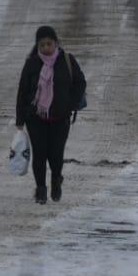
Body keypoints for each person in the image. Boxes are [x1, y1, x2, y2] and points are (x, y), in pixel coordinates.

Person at [15, 25, 86, 205]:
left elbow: (80, 82)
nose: (46, 48)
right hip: (36, 118)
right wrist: (20, 119)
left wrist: (70, 104)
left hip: (60, 118)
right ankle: (40, 189)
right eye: (42, 45)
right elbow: (23, 91)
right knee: (39, 154)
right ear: (37, 46)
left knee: (55, 154)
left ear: (56, 43)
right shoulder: (32, 63)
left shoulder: (67, 60)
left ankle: (55, 182)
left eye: (49, 44)